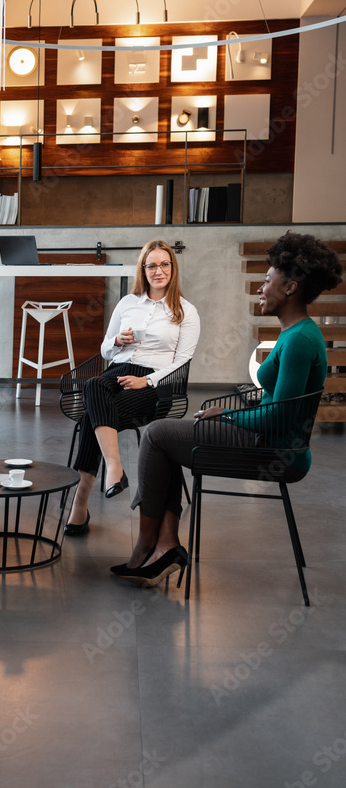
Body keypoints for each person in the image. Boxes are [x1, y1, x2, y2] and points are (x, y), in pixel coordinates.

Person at [111, 231, 342, 587]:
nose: (260, 289)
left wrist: (229, 415)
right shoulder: (298, 332)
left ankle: (148, 546)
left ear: (291, 287)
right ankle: (165, 545)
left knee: (157, 434)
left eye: (267, 281)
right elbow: (276, 403)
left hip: (276, 450)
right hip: (265, 437)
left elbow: (280, 415)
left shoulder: (299, 340)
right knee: (167, 438)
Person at [65, 239, 200, 536]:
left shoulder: (186, 311)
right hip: (116, 374)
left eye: (164, 264)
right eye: (151, 265)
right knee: (94, 385)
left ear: (173, 268)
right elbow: (104, 350)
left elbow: (182, 362)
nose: (158, 270)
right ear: (143, 269)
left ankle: (80, 503)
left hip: (155, 382)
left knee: (93, 415)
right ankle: (115, 466)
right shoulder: (128, 303)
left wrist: (147, 380)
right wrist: (117, 342)